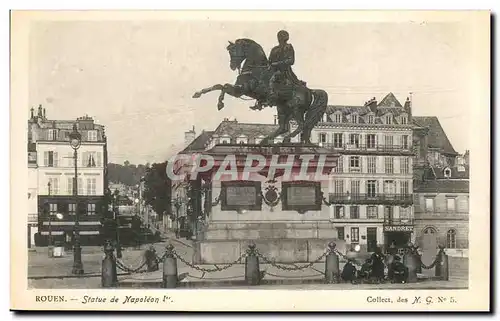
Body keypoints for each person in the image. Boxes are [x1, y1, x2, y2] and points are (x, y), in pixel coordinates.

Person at [254, 30, 306, 109]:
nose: (280, 38)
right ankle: (260, 101)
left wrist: (277, 63)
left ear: (285, 38)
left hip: (284, 70)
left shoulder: (288, 47)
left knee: (273, 79)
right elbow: (270, 60)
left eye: (281, 37)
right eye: (279, 36)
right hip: (273, 69)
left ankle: (271, 98)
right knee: (261, 79)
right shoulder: (274, 49)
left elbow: (291, 61)